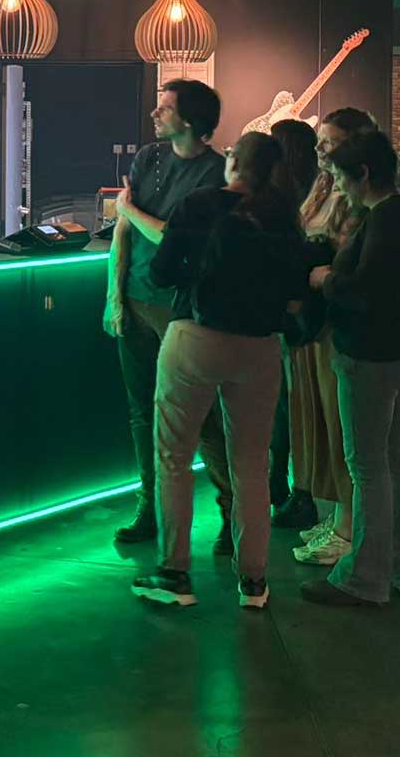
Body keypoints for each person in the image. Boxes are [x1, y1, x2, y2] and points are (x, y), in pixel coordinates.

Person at [131, 132, 309, 609]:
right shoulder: (285, 219)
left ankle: (174, 574)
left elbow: (161, 272)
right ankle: (253, 581)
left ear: (234, 163)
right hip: (259, 349)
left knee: (174, 458)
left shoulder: (199, 205)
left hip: (195, 337)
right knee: (251, 464)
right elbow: (297, 291)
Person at [300, 129, 400, 608]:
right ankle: (399, 568)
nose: (336, 184)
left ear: (364, 174)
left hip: (370, 356)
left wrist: (326, 279)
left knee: (367, 467)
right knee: (392, 461)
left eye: (340, 174)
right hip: (398, 351)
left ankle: (364, 578)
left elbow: (366, 292)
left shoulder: (386, 221)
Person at [104, 80, 234, 548]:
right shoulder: (147, 158)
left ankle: (230, 508)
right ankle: (151, 506)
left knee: (202, 415)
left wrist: (128, 210)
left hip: (184, 309)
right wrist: (114, 295)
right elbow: (125, 229)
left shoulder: (215, 173)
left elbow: (173, 237)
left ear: (191, 121)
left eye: (165, 108)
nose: (155, 115)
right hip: (136, 300)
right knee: (141, 411)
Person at [283, 108, 378, 566]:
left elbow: (347, 264)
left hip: (338, 328)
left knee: (343, 429)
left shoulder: (360, 202)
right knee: (319, 422)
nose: (319, 150)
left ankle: (348, 525)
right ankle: (339, 513)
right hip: (314, 327)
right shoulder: (324, 186)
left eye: (329, 142)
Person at [265, 118, 321, 527]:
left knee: (285, 403)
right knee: (295, 403)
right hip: (309, 313)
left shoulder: (275, 197)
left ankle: (285, 484)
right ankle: (294, 485)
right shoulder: (317, 190)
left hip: (285, 312)